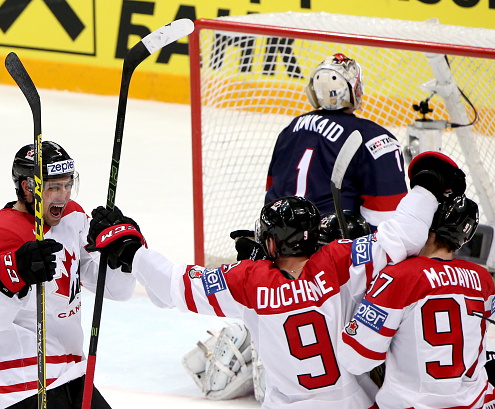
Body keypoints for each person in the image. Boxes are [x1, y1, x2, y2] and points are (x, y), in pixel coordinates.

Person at [85, 152, 466, 408]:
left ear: (270, 241)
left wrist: (133, 251)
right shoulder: (340, 260)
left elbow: (173, 286)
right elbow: (403, 236)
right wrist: (428, 187)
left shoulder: (249, 281)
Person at [0, 141, 137, 409]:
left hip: (71, 377)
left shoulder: (73, 217)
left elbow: (117, 290)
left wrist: (123, 256)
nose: (63, 196)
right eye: (53, 187)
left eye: (67, 185)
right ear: (28, 188)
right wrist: (13, 275)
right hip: (16, 387)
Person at [337, 195, 495, 408]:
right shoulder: (483, 280)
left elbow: (356, 358)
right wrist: (492, 361)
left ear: (425, 225)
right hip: (475, 403)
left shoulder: (399, 275)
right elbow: (473, 342)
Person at [265, 53, 408, 230]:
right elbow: (387, 216)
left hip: (279, 243)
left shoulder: (290, 129)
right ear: (355, 89)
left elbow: (271, 189)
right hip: (333, 248)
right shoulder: (373, 138)